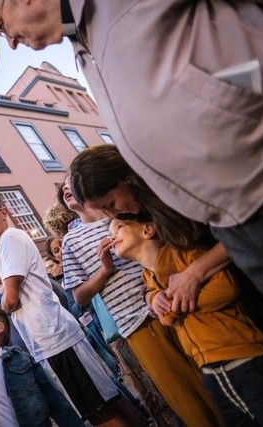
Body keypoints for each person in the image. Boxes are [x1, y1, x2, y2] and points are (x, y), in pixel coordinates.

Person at [0, 0, 263, 333]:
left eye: (0, 26)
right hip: (236, 220)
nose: (11, 42)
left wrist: (246, 92)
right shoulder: (86, 43)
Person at [0, 190, 146, 426]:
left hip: (52, 338)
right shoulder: (5, 248)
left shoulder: (11, 238)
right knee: (109, 401)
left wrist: (1, 299)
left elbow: (10, 301)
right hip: (54, 338)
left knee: (99, 411)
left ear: (3, 212)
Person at [110, 213, 263, 425]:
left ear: (148, 229)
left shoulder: (182, 253)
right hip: (209, 368)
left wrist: (174, 307)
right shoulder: (148, 277)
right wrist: (155, 299)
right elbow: (164, 320)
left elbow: (226, 287)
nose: (112, 236)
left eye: (118, 227)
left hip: (244, 356)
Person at [61, 174, 208, 426]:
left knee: (208, 375)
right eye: (62, 188)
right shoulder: (70, 241)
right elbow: (79, 297)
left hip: (175, 299)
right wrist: (104, 270)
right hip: (134, 323)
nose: (66, 189)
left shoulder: (121, 213)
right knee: (184, 396)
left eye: (71, 183)